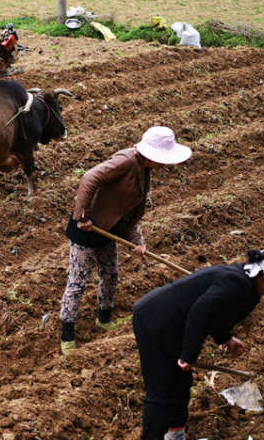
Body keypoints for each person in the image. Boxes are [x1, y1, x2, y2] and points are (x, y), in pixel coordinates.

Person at [132, 248, 264, 440]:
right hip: (156, 321)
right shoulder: (237, 284)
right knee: (162, 388)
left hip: (173, 323)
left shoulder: (246, 287)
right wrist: (188, 355)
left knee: (181, 383)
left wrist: (226, 339)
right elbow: (200, 314)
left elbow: (215, 313)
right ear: (263, 277)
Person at [59, 126, 191, 355]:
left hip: (108, 229)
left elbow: (131, 213)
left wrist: (136, 240)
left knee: (110, 275)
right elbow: (90, 178)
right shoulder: (127, 161)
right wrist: (83, 216)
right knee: (78, 282)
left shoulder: (145, 170)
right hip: (86, 229)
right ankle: (67, 334)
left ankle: (104, 319)